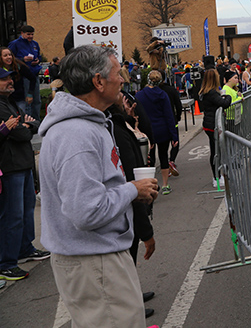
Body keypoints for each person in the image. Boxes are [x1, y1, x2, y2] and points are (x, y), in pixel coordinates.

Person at [38, 45, 160, 327]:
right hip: (94, 261)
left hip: (98, 257)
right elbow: (85, 211)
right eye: (118, 72)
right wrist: (133, 190)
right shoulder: (76, 135)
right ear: (98, 81)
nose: (124, 79)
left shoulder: (88, 125)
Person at [109, 94, 157, 319]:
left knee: (130, 258)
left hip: (130, 201)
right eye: (123, 98)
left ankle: (133, 295)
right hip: (126, 204)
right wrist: (146, 230)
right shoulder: (115, 129)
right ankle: (130, 306)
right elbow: (129, 177)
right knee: (126, 257)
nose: (127, 100)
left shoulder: (120, 124)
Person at [0, 67, 48, 282]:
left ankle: (25, 249)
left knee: (27, 210)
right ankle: (7, 263)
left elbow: (32, 125)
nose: (10, 81)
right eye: (4, 79)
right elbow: (20, 133)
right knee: (13, 215)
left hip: (24, 163)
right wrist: (24, 126)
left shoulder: (9, 102)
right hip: (10, 167)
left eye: (10, 78)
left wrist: (24, 125)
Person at [135, 70, 179, 195]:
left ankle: (151, 185)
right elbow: (169, 115)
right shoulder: (163, 95)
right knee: (163, 155)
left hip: (148, 130)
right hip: (163, 129)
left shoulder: (140, 95)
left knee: (149, 159)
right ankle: (165, 184)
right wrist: (174, 135)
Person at [199, 69, 232, 188]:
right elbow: (225, 104)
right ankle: (216, 177)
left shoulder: (205, 92)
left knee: (216, 150)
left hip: (209, 123)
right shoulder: (211, 93)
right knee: (215, 152)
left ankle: (218, 175)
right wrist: (226, 96)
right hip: (212, 124)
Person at [8, 25, 42, 120]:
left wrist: (38, 60)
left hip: (34, 74)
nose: (30, 36)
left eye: (32, 34)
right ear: (22, 33)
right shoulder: (15, 44)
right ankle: (28, 121)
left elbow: (39, 56)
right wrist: (23, 59)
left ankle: (36, 121)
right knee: (28, 101)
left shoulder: (35, 44)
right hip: (24, 76)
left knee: (37, 100)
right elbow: (9, 58)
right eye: (28, 34)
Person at [1, 46, 37, 117]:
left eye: (10, 55)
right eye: (5, 55)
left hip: (18, 98)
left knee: (22, 117)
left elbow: (32, 78)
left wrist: (30, 93)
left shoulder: (18, 66)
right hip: (4, 99)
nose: (9, 57)